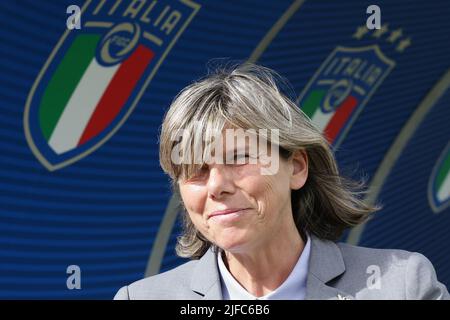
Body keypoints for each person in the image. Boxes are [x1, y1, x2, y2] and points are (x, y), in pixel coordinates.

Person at [114, 63, 449, 300]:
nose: (217, 185)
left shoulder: (400, 285)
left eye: (238, 158)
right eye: (196, 170)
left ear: (297, 167)